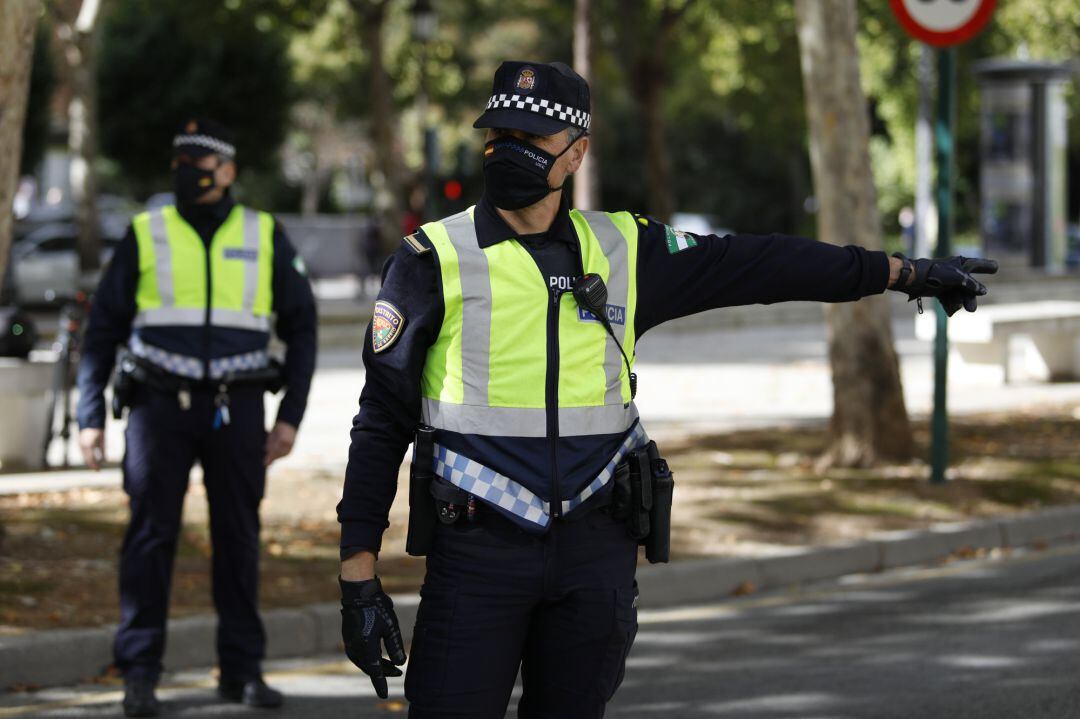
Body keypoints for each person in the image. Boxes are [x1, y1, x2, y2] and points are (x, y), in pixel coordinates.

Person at [336, 61, 996, 719]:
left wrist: (906, 272)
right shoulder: (430, 259)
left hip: (595, 555)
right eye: (499, 134)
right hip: (478, 553)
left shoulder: (625, 249)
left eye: (532, 139)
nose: (508, 150)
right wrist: (357, 576)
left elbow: (763, 264)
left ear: (575, 154)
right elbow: (380, 422)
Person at [76, 119, 317, 717]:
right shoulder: (146, 231)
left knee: (237, 540)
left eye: (199, 162)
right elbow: (102, 327)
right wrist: (88, 416)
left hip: (237, 408)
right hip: (159, 408)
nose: (186, 171)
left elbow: (303, 326)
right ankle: (139, 673)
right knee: (149, 540)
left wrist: (289, 416)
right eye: (179, 161)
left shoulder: (264, 233)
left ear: (228, 170)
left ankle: (242, 671)